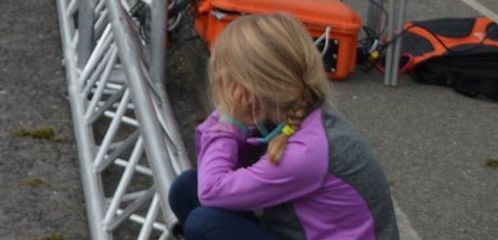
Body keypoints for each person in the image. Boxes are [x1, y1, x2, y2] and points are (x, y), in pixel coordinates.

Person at [170, 13, 398, 239]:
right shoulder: (290, 116)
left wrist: (229, 120)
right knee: (186, 189)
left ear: (250, 86)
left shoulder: (307, 150)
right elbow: (210, 171)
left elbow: (211, 191)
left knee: (206, 224)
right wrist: (233, 122)